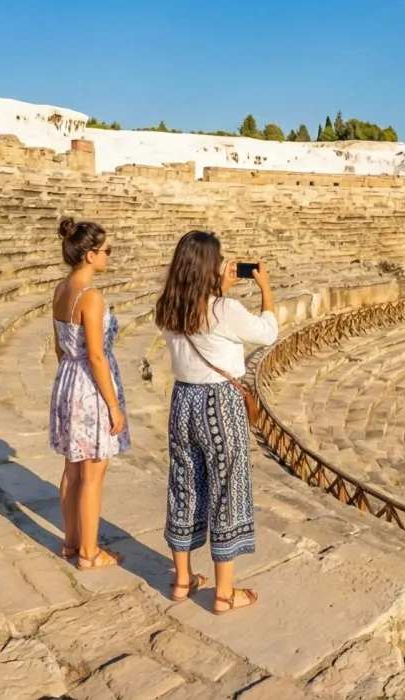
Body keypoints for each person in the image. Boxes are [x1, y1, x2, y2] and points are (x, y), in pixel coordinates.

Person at [154, 231, 277, 613]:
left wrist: (219, 288)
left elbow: (197, 319)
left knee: (185, 483)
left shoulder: (168, 306)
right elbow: (267, 333)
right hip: (219, 404)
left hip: (183, 401)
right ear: (210, 265)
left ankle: (181, 580)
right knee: (227, 488)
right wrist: (265, 289)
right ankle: (224, 595)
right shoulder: (224, 309)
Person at [48, 218, 130, 569]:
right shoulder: (91, 297)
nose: (109, 256)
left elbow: (59, 347)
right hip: (91, 388)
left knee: (72, 468)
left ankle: (70, 543)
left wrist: (69, 382)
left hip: (67, 378)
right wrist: (113, 405)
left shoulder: (61, 288)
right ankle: (89, 553)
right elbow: (96, 355)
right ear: (90, 254)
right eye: (107, 250)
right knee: (93, 475)